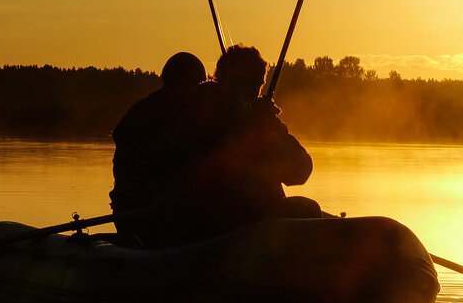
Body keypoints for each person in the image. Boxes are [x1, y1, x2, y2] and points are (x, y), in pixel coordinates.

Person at [169, 45, 321, 242]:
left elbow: (301, 172)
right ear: (223, 79)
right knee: (303, 211)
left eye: (255, 83)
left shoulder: (264, 120)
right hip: (213, 222)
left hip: (258, 219)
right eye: (242, 82)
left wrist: (273, 136)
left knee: (308, 209)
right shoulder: (200, 114)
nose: (249, 91)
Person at [109, 51, 206, 246]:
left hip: (177, 210)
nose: (196, 92)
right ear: (177, 83)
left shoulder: (194, 115)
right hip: (140, 210)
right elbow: (130, 169)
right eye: (194, 85)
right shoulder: (144, 115)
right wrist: (154, 194)